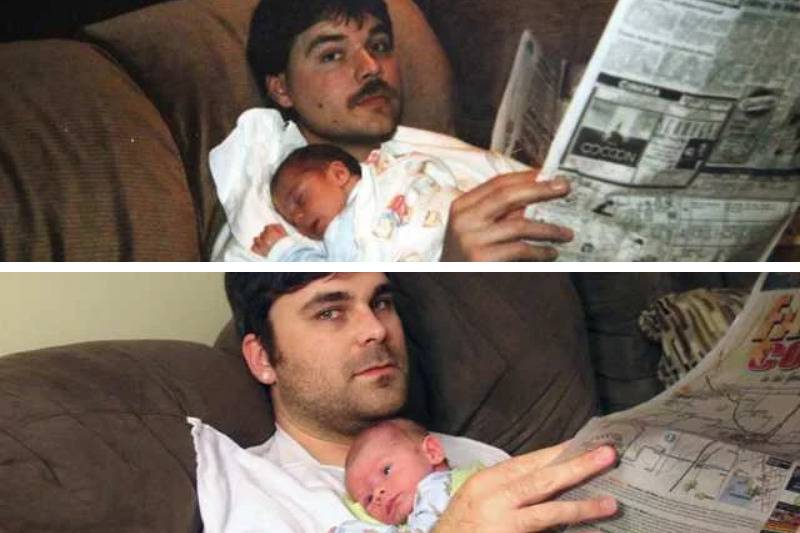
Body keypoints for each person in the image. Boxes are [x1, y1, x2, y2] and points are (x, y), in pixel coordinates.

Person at [204, 272, 618, 532]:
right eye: (330, 312)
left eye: (381, 303)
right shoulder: (255, 491)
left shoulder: (468, 454)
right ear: (262, 358)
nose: (375, 329)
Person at [210, 0, 575, 262]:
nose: (371, 67)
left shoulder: (451, 153)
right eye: (332, 55)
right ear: (281, 89)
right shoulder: (278, 220)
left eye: (379, 46)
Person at [251, 143, 482, 261]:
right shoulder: (339, 233)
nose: (299, 218)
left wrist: (282, 251)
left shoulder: (389, 176)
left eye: (300, 199)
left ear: (339, 174)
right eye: (292, 221)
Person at [332, 418, 478, 532]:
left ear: (432, 452)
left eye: (386, 471)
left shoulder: (438, 486)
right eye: (368, 499)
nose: (378, 493)